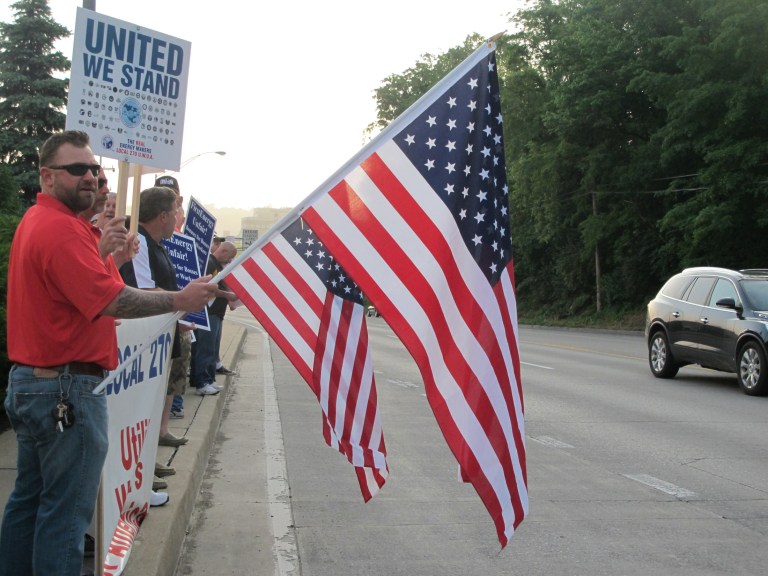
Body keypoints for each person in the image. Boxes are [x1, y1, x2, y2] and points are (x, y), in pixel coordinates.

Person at [0, 130, 216, 576]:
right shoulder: (60, 230)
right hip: (66, 391)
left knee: (30, 502)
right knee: (64, 515)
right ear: (46, 176)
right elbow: (112, 302)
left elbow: (79, 295)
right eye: (76, 169)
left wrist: (108, 258)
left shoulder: (46, 224)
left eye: (94, 170)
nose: (90, 178)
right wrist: (179, 299)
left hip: (37, 385)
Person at [119, 185, 193, 450]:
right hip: (145, 335)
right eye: (174, 212)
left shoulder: (157, 245)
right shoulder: (137, 240)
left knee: (158, 395)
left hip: (161, 331)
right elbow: (144, 288)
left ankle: (148, 457)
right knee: (141, 402)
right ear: (162, 216)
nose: (177, 218)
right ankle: (141, 463)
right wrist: (183, 299)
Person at [190, 241, 238, 395]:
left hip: (216, 313)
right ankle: (202, 382)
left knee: (212, 348)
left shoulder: (216, 265)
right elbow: (209, 287)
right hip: (209, 313)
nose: (230, 261)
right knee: (206, 348)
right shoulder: (211, 263)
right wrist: (227, 294)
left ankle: (209, 379)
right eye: (230, 257)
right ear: (223, 251)